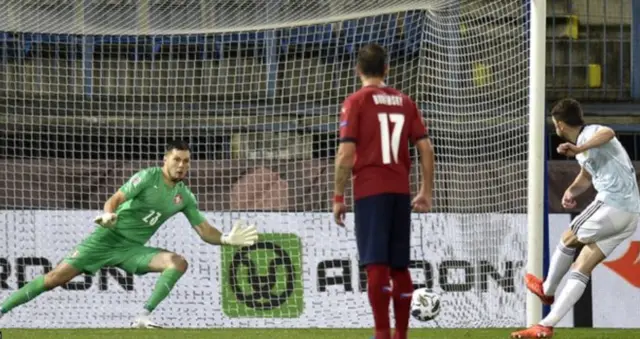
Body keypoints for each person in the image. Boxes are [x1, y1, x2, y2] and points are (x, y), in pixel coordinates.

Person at [0, 139, 258, 328]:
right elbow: (116, 198)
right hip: (105, 240)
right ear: (165, 160)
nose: (181, 165)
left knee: (177, 263)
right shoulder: (147, 177)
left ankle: (143, 316)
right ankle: (1, 311)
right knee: (54, 278)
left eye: (186, 161)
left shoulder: (185, 196)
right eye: (176, 159)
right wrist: (108, 214)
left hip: (132, 249)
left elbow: (204, 231)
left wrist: (224, 238)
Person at [511, 98, 640, 338]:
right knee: (581, 267)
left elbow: (609, 132)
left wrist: (579, 149)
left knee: (568, 237)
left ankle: (546, 288)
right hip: (629, 214)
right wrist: (571, 190)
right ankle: (545, 325)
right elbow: (586, 176)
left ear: (559, 124)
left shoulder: (590, 133)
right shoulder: (583, 146)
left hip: (614, 204)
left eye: (555, 124)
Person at [332, 43, 435, 339]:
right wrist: (425, 191)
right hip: (400, 192)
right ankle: (400, 335)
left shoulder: (356, 102)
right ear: (387, 69)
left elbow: (345, 155)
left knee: (376, 264)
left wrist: (338, 197)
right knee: (400, 266)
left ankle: (381, 334)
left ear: (358, 70)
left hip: (370, 191)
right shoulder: (405, 101)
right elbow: (426, 148)